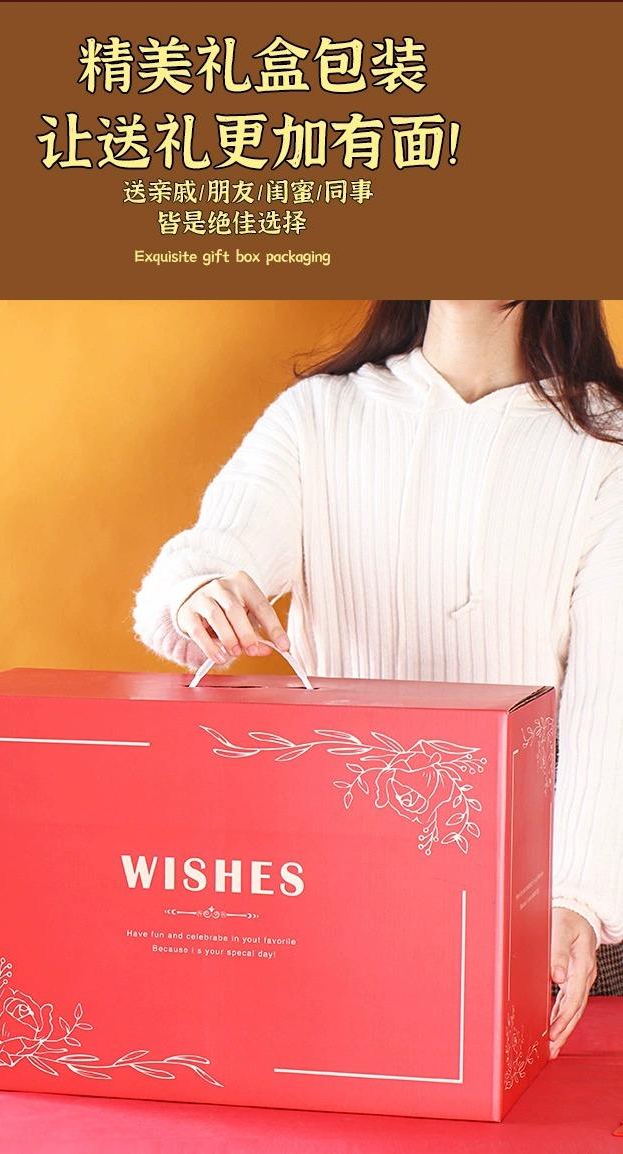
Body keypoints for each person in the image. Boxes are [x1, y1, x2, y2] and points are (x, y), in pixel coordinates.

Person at [132, 300, 623, 1058]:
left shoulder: (604, 442)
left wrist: (577, 897)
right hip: (321, 887)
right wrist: (198, 593)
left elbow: (610, 695)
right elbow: (212, 556)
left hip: (529, 899)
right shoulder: (319, 417)